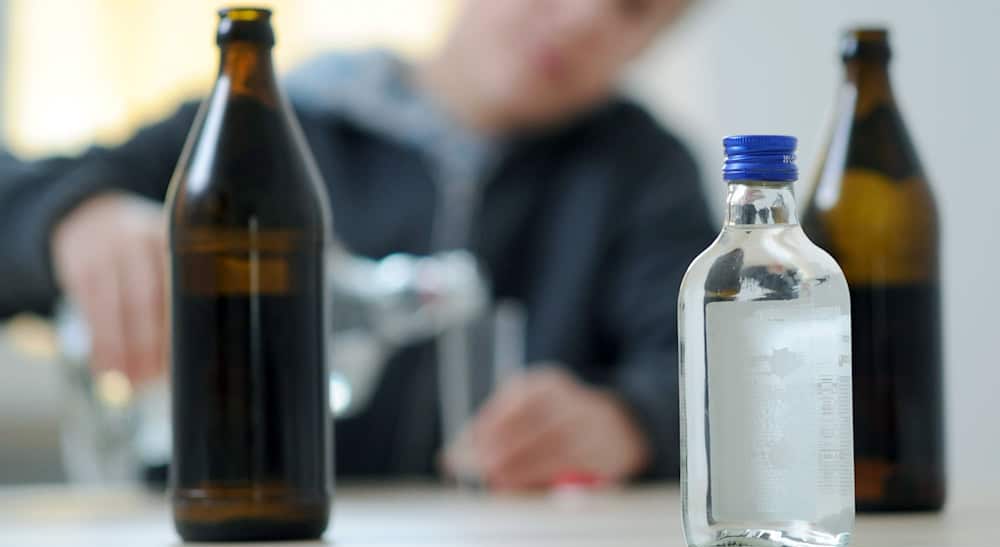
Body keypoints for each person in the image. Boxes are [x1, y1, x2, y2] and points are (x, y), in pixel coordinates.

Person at [0, 0, 714, 489]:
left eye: (633, 7)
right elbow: (22, 194)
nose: (586, 16)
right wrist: (69, 217)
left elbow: (711, 369)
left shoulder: (643, 173)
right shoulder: (268, 117)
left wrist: (630, 421)